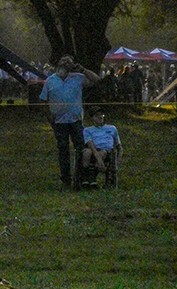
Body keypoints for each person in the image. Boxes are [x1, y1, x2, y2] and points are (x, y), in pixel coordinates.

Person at [40, 54, 102, 189]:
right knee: (63, 150)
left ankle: (80, 177)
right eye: (63, 60)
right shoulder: (50, 80)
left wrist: (83, 70)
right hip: (59, 122)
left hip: (75, 121)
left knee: (80, 148)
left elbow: (97, 80)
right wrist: (50, 117)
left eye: (68, 62)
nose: (65, 63)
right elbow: (43, 100)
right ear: (58, 64)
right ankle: (66, 180)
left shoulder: (78, 78)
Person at [81, 110, 122, 188]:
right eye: (97, 115)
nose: (100, 117)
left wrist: (118, 160)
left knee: (102, 152)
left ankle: (91, 178)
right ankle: (85, 177)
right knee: (87, 152)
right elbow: (90, 145)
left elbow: (119, 146)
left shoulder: (112, 128)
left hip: (107, 151)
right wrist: (99, 160)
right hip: (94, 149)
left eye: (101, 115)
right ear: (92, 118)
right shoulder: (88, 130)